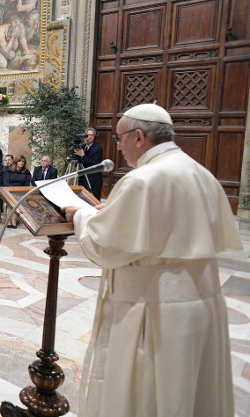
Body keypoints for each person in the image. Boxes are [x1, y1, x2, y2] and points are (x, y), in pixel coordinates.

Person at [61, 103, 240, 417]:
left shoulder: (143, 180)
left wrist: (83, 213)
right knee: (189, 393)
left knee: (149, 396)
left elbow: (106, 247)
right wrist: (115, 214)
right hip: (201, 304)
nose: (118, 147)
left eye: (120, 139)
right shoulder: (200, 173)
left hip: (154, 312)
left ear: (139, 137)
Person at [74, 127, 103, 200]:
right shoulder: (82, 147)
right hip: (82, 179)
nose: (89, 137)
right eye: (87, 135)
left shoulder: (98, 148)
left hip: (93, 181)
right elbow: (79, 162)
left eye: (91, 135)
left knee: (94, 202)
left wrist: (83, 156)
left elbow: (95, 164)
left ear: (94, 137)